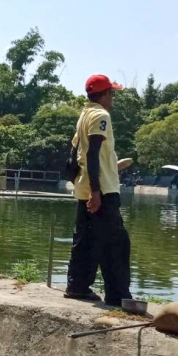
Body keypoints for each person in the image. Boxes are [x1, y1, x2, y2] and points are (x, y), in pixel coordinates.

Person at [65, 74, 132, 307]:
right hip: (102, 189)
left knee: (87, 239)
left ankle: (77, 286)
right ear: (104, 94)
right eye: (111, 93)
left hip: (86, 187)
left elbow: (73, 155)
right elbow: (93, 153)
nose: (112, 98)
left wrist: (78, 182)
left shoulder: (84, 115)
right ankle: (118, 295)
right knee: (116, 242)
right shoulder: (101, 116)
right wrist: (96, 191)